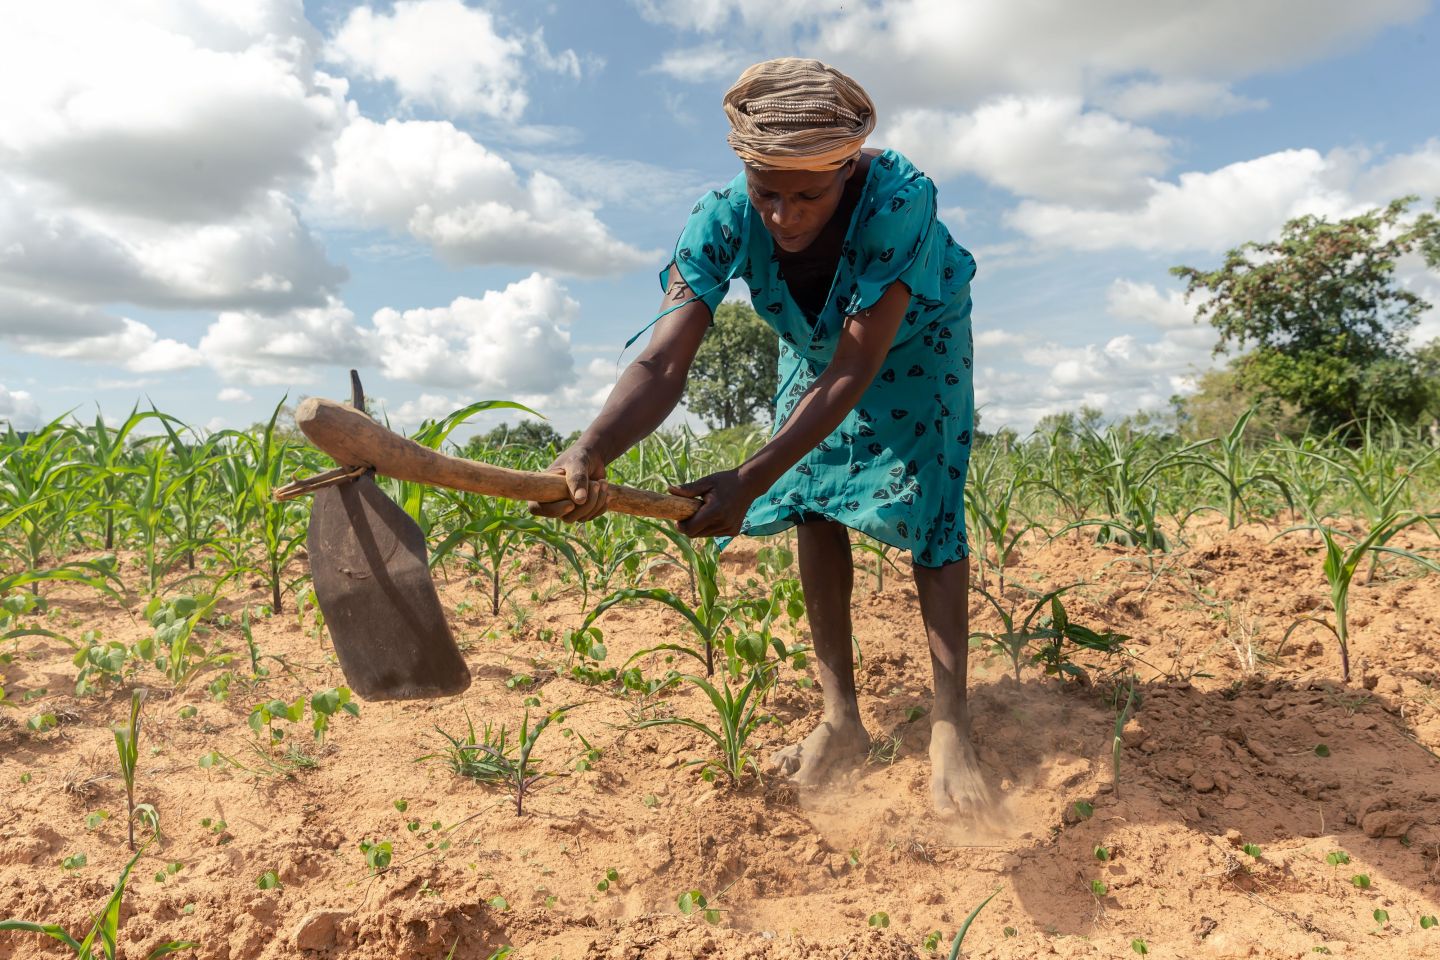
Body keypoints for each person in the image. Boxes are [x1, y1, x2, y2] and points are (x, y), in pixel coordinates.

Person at [531, 58, 987, 815]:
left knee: (933, 508)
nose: (783, 215)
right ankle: (841, 720)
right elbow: (663, 359)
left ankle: (951, 725)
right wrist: (593, 448)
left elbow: (855, 365)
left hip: (914, 344)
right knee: (811, 500)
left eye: (808, 194)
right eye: (766, 192)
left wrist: (749, 476)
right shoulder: (719, 220)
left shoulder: (897, 202)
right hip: (812, 346)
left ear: (846, 170)